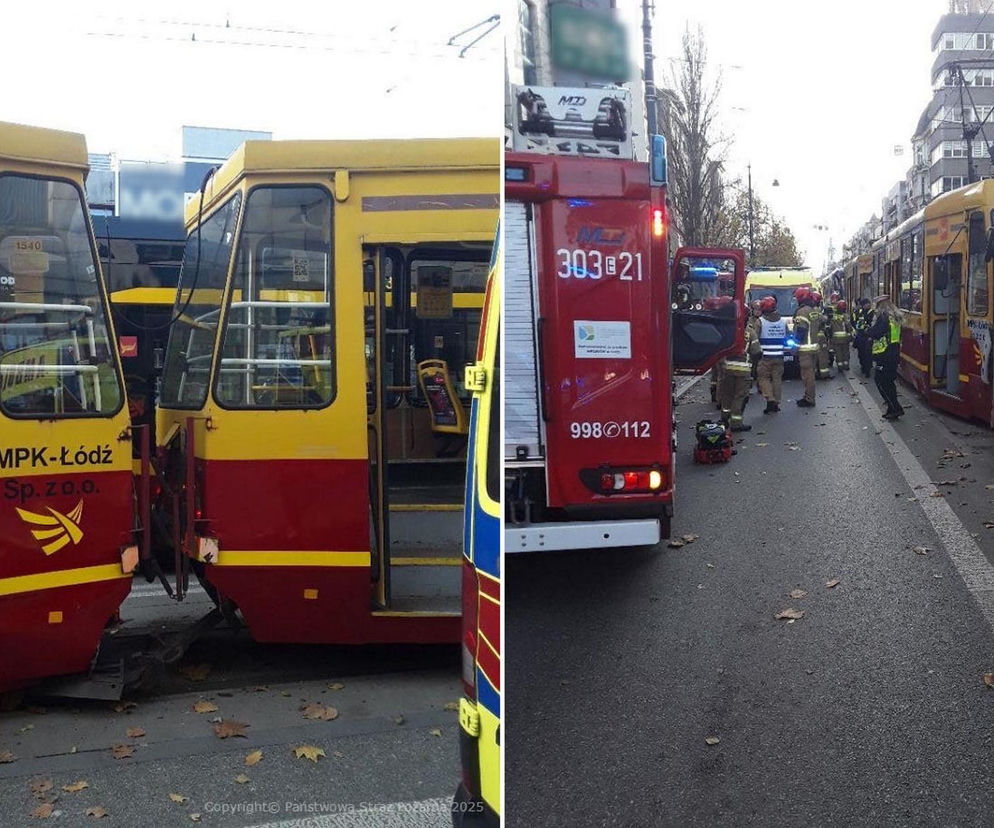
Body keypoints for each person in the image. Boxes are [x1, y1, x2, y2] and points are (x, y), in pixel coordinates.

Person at [719, 312, 760, 431]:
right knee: (739, 396)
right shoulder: (750, 332)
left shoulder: (729, 330)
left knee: (727, 394)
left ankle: (724, 418)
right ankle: (736, 423)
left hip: (728, 368)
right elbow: (756, 351)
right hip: (743, 371)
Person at [869, 295, 904, 419]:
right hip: (893, 353)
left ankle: (895, 407)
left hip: (884, 355)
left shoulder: (883, 318)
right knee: (889, 382)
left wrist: (868, 331)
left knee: (881, 382)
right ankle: (892, 408)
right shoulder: (895, 317)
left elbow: (875, 333)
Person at [756, 295, 787, 413]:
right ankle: (777, 402)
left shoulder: (760, 321)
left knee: (763, 378)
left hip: (765, 357)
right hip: (779, 356)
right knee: (777, 379)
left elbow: (755, 338)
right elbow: (788, 336)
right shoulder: (783, 322)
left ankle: (770, 399)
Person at [792, 287, 820, 408]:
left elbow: (801, 329)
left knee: (807, 375)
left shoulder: (802, 311)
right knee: (811, 373)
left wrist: (795, 346)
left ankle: (809, 399)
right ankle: (809, 396)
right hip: (814, 347)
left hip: (805, 348)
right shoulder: (813, 310)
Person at [850, 297, 874, 377]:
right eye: (866, 304)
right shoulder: (858, 312)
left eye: (868, 304)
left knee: (868, 353)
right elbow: (852, 321)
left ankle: (867, 369)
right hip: (860, 335)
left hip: (868, 336)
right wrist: (856, 329)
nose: (868, 305)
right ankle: (863, 366)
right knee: (861, 353)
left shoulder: (872, 313)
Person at [811, 291, 831, 379]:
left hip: (811, 337)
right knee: (823, 355)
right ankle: (824, 374)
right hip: (820, 336)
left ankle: (814, 373)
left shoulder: (808, 309)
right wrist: (826, 317)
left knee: (813, 356)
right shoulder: (817, 310)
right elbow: (822, 320)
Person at [830, 300, 852, 372]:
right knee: (845, 352)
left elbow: (831, 327)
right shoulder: (845, 316)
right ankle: (846, 366)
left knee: (838, 353)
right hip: (845, 339)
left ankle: (840, 367)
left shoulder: (833, 317)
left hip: (836, 339)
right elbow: (848, 326)